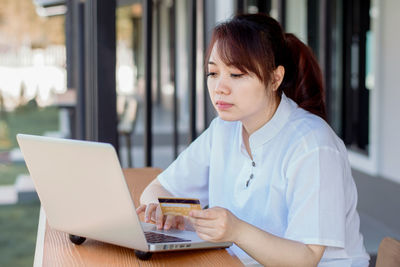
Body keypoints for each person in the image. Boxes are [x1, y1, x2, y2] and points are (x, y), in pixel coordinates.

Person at [136, 13, 370, 266]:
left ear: (275, 78)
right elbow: (157, 190)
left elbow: (305, 258)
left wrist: (235, 230)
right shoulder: (223, 130)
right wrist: (167, 211)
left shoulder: (313, 145)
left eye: (236, 75)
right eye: (213, 73)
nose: (219, 88)